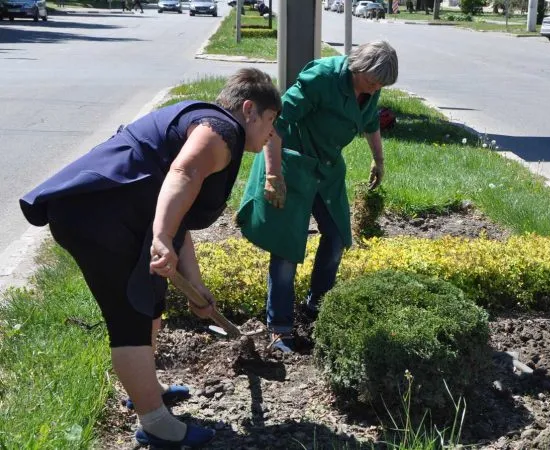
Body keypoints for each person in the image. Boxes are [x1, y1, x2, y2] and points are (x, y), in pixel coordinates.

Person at [19, 68, 281, 448]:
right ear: (249, 110)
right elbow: (184, 172)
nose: (271, 132)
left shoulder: (211, 126)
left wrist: (196, 288)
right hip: (98, 216)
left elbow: (180, 221)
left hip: (118, 216)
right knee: (130, 317)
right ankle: (155, 424)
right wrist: (159, 236)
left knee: (150, 299)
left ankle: (148, 389)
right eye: (270, 120)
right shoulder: (222, 131)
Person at [255, 40, 398, 353]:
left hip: (327, 169)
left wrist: (379, 159)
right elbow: (274, 122)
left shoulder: (371, 88)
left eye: (380, 86)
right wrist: (272, 174)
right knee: (288, 245)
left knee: (335, 236)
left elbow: (371, 121)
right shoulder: (322, 78)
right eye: (372, 82)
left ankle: (316, 308)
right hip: (292, 164)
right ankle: (279, 327)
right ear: (356, 67)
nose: (375, 90)